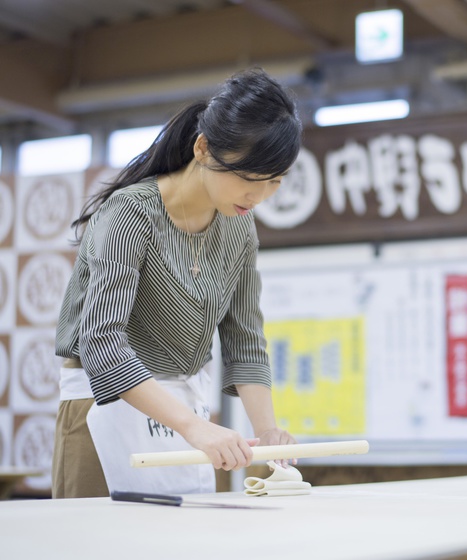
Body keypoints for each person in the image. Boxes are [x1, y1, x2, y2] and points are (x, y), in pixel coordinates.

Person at [52, 67, 302, 498]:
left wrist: (269, 436)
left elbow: (245, 340)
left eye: (274, 182)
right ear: (203, 148)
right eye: (248, 178)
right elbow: (101, 342)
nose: (258, 197)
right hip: (104, 409)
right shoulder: (131, 214)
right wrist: (194, 427)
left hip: (186, 416)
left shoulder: (240, 229)